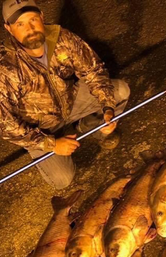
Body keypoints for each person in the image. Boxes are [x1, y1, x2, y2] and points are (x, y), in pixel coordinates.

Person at [0, 0, 130, 189]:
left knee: (120, 91)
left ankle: (88, 126)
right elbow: (6, 125)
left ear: (42, 17)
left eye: (33, 19)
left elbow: (93, 70)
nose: (30, 28)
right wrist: (51, 144)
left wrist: (108, 107)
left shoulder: (62, 38)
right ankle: (52, 147)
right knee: (63, 180)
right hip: (39, 129)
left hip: (69, 103)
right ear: (9, 29)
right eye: (20, 24)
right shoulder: (5, 66)